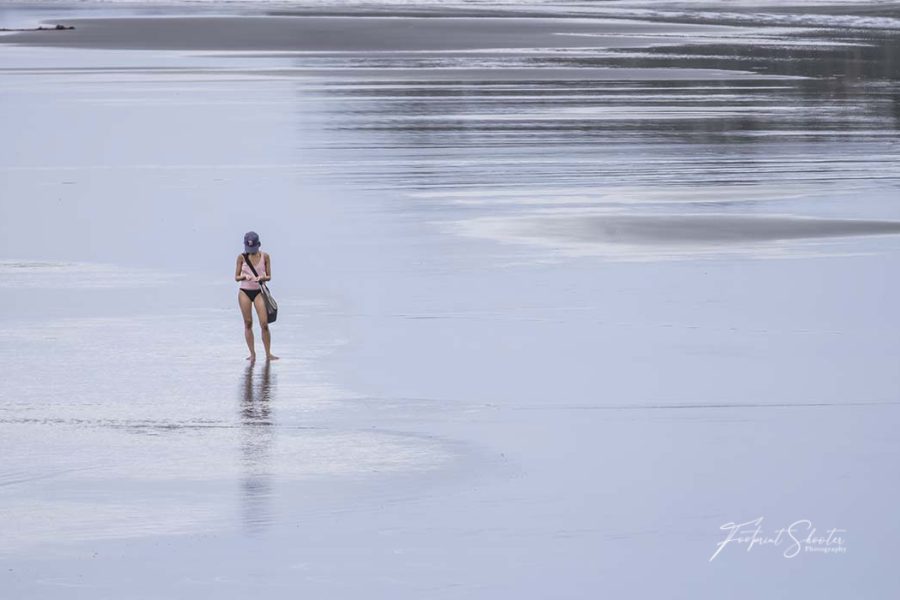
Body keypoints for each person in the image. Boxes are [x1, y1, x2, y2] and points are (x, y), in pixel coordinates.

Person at [235, 231, 279, 362]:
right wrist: (244, 276)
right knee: (248, 323)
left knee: (264, 324)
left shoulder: (265, 257)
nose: (251, 251)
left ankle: (268, 353)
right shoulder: (241, 257)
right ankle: (252, 354)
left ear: (259, 245)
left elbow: (269, 276)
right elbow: (236, 277)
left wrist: (262, 277)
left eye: (253, 248)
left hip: (259, 291)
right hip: (245, 291)